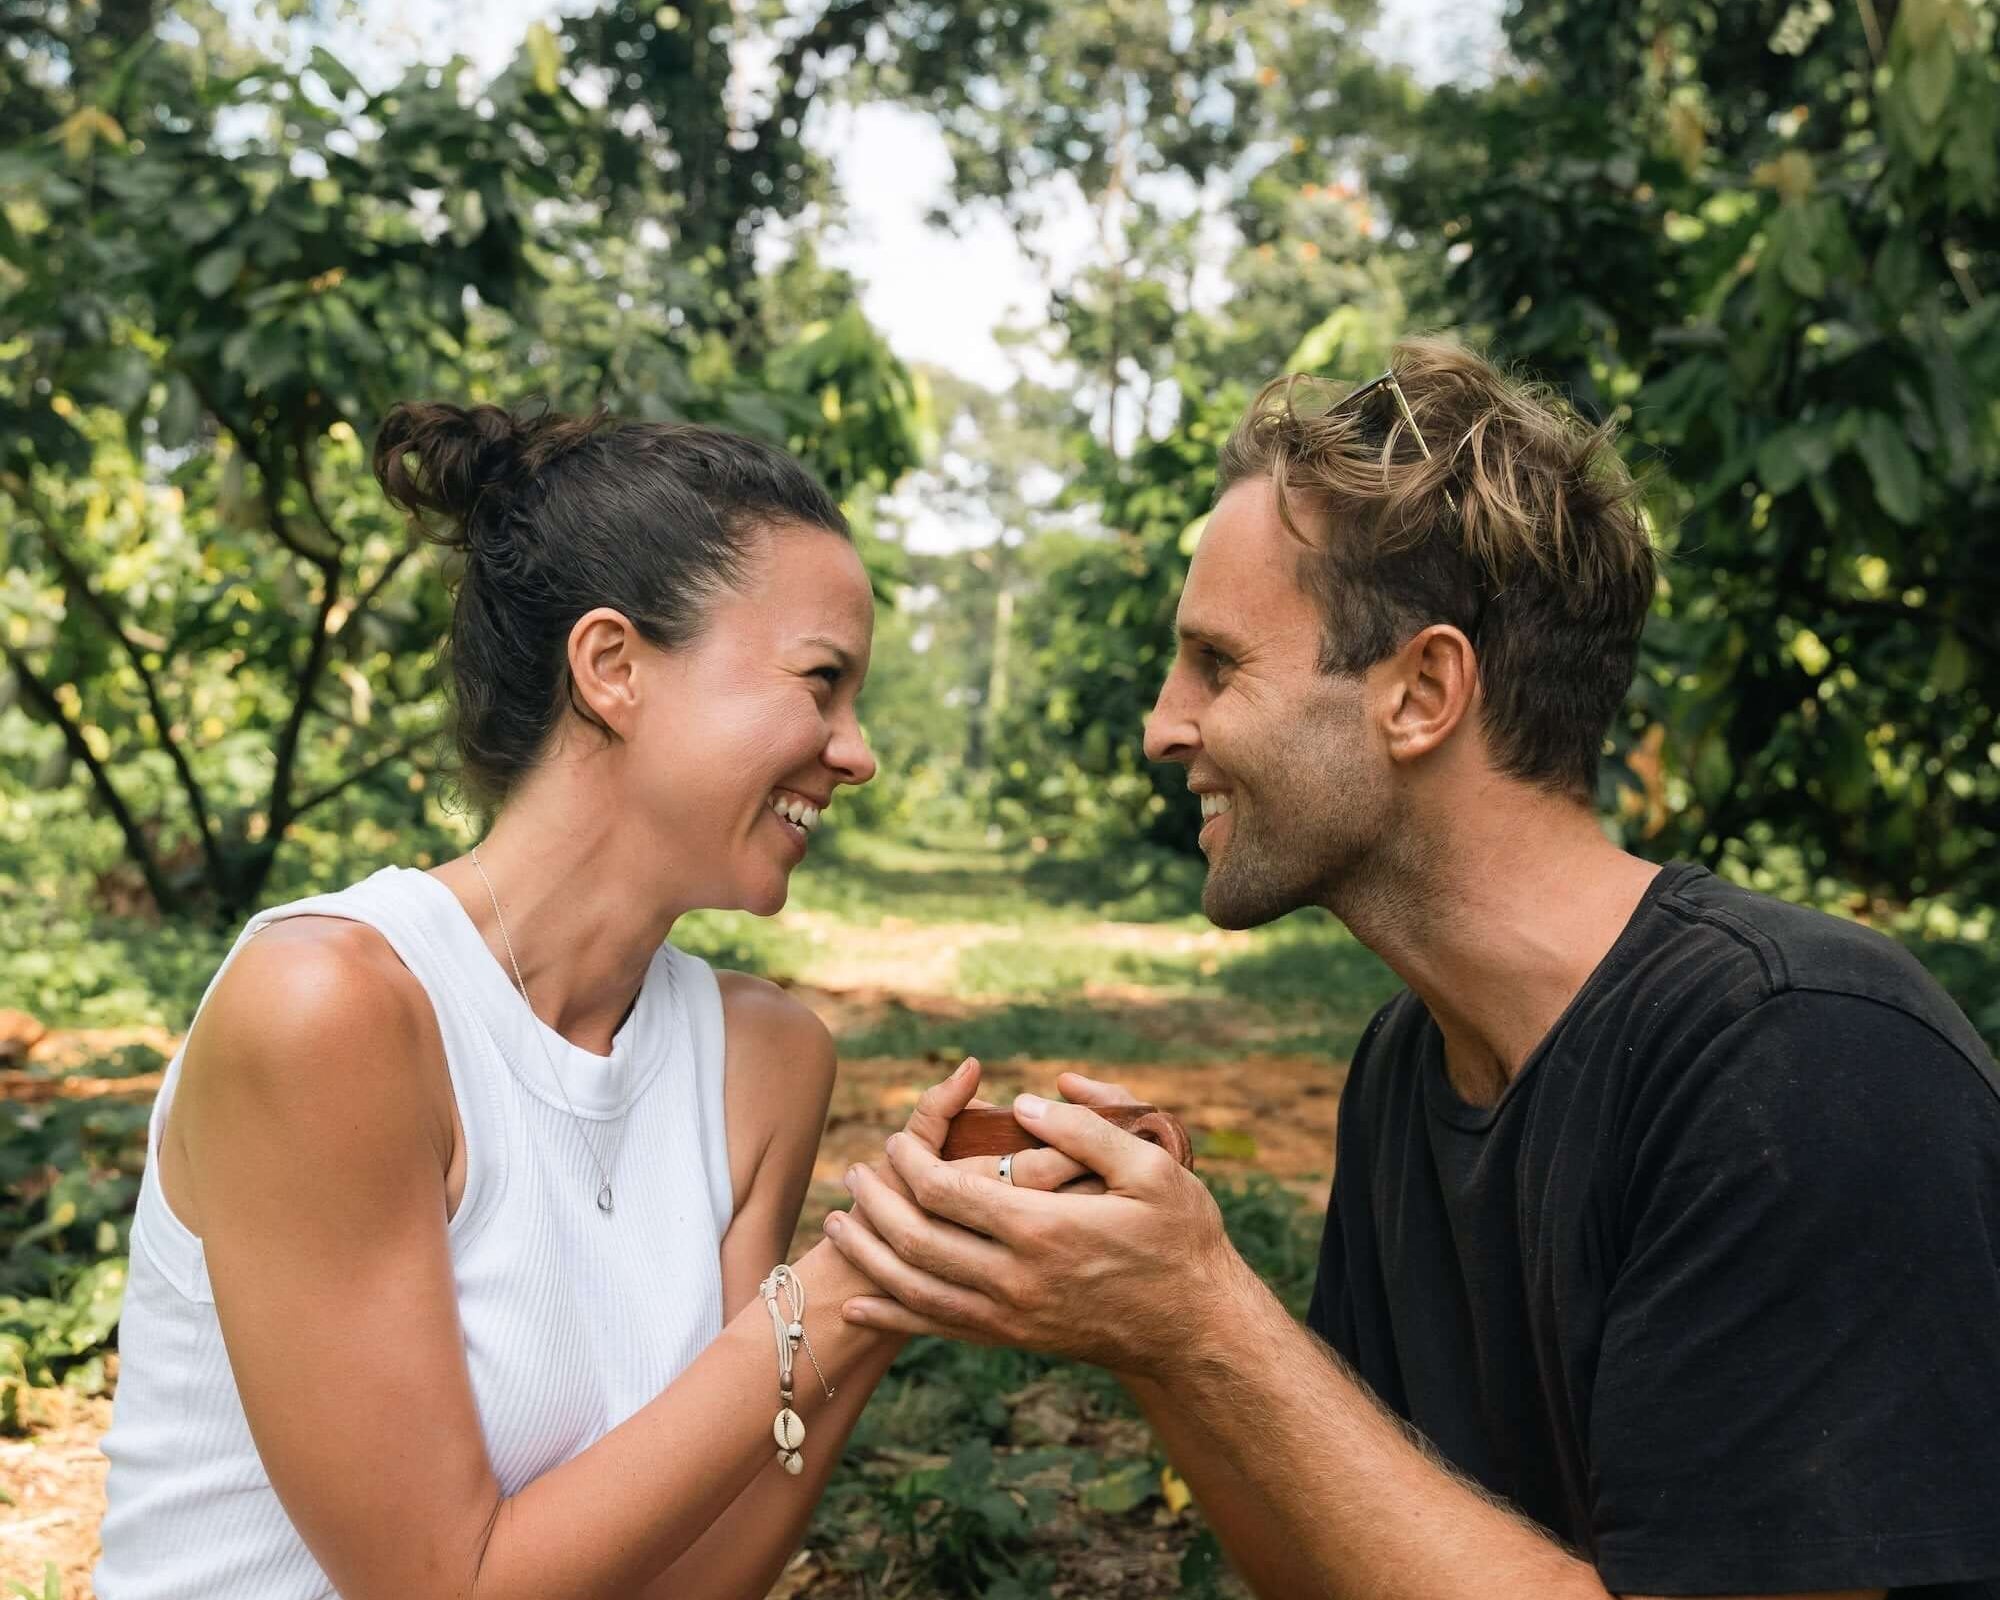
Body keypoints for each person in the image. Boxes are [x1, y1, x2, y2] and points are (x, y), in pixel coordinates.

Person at [827, 337, 2000, 1600]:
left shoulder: (1802, 1055)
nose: (1162, 727)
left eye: (1217, 664)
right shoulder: (1413, 1056)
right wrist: (1151, 1331)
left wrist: (1211, 1318)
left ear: (1421, 690)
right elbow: (1337, 1570)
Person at [93, 404, 1079, 1598]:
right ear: (612, 667)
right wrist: (829, 1286)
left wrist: (885, 1282)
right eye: (822, 683)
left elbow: (694, 1577)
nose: (856, 751)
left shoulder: (761, 1062)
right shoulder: (332, 1008)